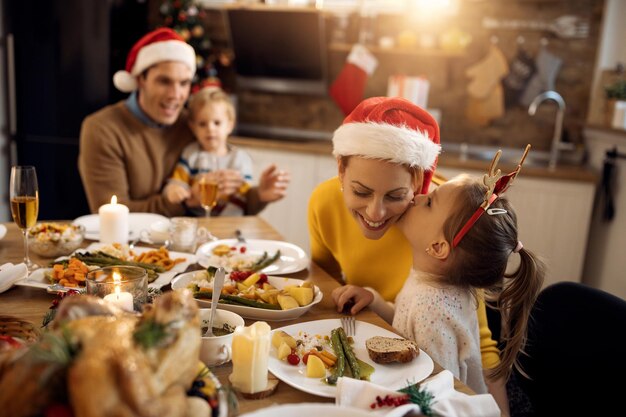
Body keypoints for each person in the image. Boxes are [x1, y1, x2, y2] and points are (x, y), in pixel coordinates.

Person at [307, 96, 509, 413]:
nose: (376, 212)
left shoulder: (448, 225)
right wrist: (372, 299)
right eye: (361, 191)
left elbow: (474, 348)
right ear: (341, 171)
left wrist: (500, 410)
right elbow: (323, 288)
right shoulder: (323, 203)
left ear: (418, 183)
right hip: (374, 366)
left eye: (396, 195)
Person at [331, 148, 545, 395]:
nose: (418, 198)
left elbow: (439, 393)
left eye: (430, 202)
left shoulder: (431, 308)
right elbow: (408, 329)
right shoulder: (434, 284)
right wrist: (375, 300)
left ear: (438, 247)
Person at [79, 28, 197, 216]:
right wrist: (183, 202)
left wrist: (258, 196)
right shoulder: (102, 128)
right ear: (140, 79)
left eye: (184, 83)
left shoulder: (193, 124)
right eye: (164, 81)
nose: (176, 95)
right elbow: (111, 214)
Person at [163, 87, 289, 216]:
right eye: (202, 124)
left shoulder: (240, 159)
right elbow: (178, 182)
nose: (210, 129)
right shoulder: (191, 154)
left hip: (230, 221)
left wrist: (259, 194)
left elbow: (245, 195)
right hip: (196, 220)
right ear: (193, 127)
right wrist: (174, 190)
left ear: (230, 125)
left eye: (217, 123)